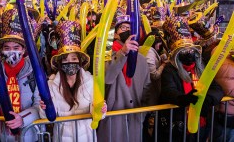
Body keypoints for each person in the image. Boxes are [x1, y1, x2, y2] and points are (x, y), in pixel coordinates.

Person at [0, 8, 40, 142]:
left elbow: (39, 104)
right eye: (7, 48)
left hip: (30, 134)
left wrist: (22, 118)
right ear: (2, 50)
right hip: (4, 135)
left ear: (23, 50)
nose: (11, 52)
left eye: (16, 48)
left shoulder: (35, 71)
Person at [158, 15, 224, 142]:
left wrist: (207, 100)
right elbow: (168, 91)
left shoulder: (201, 68)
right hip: (178, 126)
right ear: (177, 54)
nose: (188, 53)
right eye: (184, 51)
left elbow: (217, 88)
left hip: (201, 125)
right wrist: (185, 99)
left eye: (191, 50)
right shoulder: (170, 70)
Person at [39, 20, 107, 141]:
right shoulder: (52, 85)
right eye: (65, 60)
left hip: (86, 137)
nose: (70, 62)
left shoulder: (90, 82)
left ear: (80, 61)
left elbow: (98, 113)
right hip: (62, 138)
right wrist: (44, 108)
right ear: (60, 63)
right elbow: (48, 117)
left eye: (74, 58)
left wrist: (100, 109)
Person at [97, 13, 153, 142]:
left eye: (130, 28)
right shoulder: (105, 56)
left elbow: (147, 88)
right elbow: (107, 77)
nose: (127, 30)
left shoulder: (142, 59)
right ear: (116, 34)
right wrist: (123, 52)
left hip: (134, 118)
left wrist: (143, 113)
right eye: (123, 28)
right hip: (112, 117)